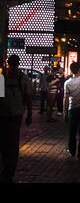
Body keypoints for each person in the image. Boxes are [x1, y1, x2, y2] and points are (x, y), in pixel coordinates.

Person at [0, 55, 32, 183]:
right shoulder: (2, 78)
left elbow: (28, 97)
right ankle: (6, 168)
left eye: (14, 64)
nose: (12, 67)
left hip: (15, 116)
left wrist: (29, 114)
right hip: (2, 115)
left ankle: (9, 171)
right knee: (3, 143)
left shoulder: (23, 79)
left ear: (17, 65)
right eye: (11, 64)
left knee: (12, 144)